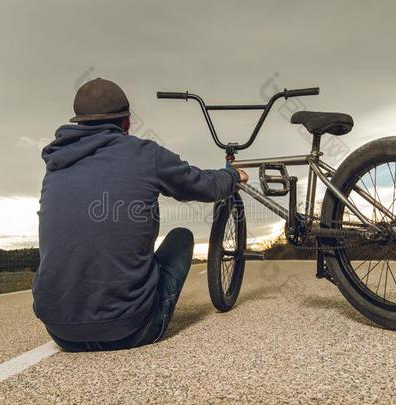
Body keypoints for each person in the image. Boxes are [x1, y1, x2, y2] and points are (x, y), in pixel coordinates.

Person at [32, 78, 248, 351]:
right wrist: (232, 176)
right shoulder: (145, 155)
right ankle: (133, 307)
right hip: (133, 329)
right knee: (181, 236)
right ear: (126, 122)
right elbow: (203, 185)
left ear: (79, 123)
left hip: (61, 333)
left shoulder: (55, 166)